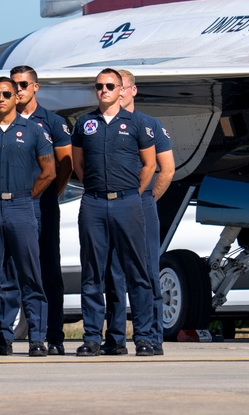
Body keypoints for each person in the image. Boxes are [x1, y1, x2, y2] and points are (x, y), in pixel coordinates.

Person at [0, 77, 55, 358]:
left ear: (17, 97)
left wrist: (27, 196)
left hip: (22, 207)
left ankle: (37, 338)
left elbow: (49, 172)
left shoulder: (34, 132)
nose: (0, 99)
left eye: (6, 94)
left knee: (30, 274)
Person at [71, 68, 156, 357]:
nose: (103, 90)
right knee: (93, 272)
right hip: (94, 203)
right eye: (99, 86)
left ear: (121, 89)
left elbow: (149, 165)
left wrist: (132, 192)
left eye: (109, 85)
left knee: (137, 272)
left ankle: (144, 337)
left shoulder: (137, 124)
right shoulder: (85, 123)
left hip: (127, 203)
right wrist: (97, 189)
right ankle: (93, 337)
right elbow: (78, 165)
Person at [0, 66, 73, 355]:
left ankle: (53, 335)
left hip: (42, 206)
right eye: (14, 85)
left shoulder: (52, 122)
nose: (18, 90)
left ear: (35, 87)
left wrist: (53, 192)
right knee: (10, 271)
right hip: (12, 205)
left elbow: (65, 163)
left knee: (47, 270)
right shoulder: (2, 122)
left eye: (24, 84)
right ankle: (4, 336)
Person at [102, 70, 175, 356]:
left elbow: (166, 169)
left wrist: (148, 197)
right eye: (112, 87)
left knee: (146, 271)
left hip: (141, 203)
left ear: (133, 90)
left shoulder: (149, 125)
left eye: (122, 87)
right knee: (114, 273)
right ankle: (116, 337)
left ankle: (152, 337)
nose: (117, 92)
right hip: (112, 204)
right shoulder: (103, 124)